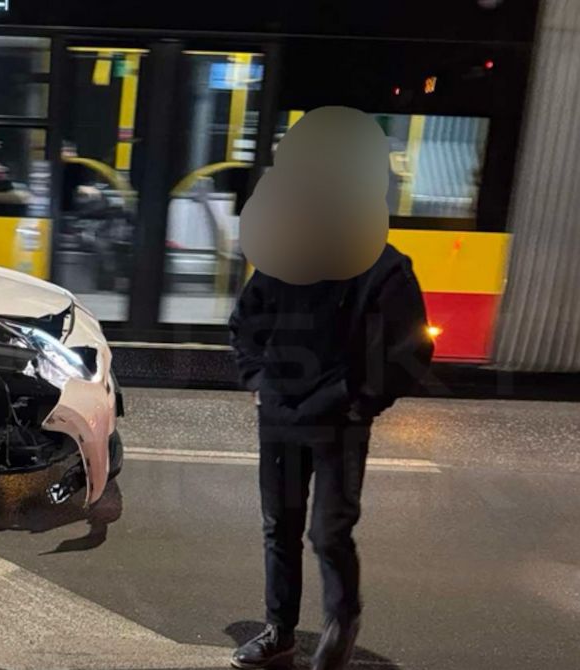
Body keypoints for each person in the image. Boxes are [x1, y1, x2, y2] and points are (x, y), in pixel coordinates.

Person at [227, 107, 435, 670]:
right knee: (281, 529)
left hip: (340, 425)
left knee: (328, 533)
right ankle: (280, 632)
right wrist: (257, 382)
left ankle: (343, 618)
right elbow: (246, 322)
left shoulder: (387, 268)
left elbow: (413, 351)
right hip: (281, 416)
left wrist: (358, 400)